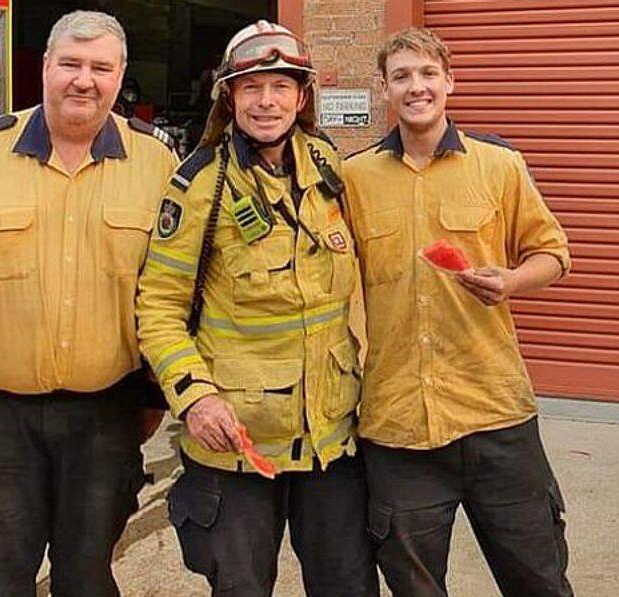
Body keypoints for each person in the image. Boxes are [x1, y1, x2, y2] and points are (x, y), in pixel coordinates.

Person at [0, 10, 178, 596]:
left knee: (88, 576)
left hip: (105, 414)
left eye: (101, 67)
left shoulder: (156, 164)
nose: (85, 80)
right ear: (46, 68)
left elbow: (171, 288)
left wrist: (157, 390)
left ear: (120, 74)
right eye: (71, 64)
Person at [136, 19, 379, 597]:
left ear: (302, 96)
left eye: (280, 87)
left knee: (349, 586)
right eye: (250, 88)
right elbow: (159, 307)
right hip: (235, 445)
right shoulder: (198, 186)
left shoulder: (326, 166)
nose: (266, 101)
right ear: (229, 97)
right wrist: (193, 397)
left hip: (330, 440)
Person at [342, 28, 574, 597]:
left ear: (449, 81)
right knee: (415, 587)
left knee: (539, 579)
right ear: (384, 90)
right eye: (401, 76)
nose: (416, 87)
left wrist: (513, 279)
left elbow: (554, 253)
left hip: (495, 412)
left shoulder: (499, 165)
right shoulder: (353, 179)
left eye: (427, 74)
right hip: (397, 425)